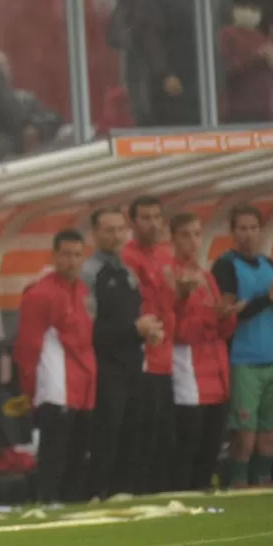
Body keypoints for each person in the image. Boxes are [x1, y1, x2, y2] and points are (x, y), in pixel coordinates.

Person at [211, 204, 273, 486]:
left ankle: (262, 483)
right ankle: (238, 485)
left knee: (270, 435)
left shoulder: (269, 264)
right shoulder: (225, 265)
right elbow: (233, 312)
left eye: (253, 228)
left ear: (260, 231)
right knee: (244, 435)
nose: (248, 234)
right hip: (243, 360)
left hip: (272, 358)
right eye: (242, 228)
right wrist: (271, 297)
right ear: (232, 232)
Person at [13, 230, 97, 503]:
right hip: (55, 385)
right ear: (54, 255)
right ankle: (47, 500)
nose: (71, 261)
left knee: (78, 449)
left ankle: (70, 501)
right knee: (54, 450)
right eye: (65, 254)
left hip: (82, 382)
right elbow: (28, 346)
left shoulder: (83, 292)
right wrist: (28, 388)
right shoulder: (40, 295)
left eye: (76, 255)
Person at [82, 206, 157, 500]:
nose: (115, 236)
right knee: (107, 434)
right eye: (108, 230)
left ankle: (123, 494)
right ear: (95, 234)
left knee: (132, 433)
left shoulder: (126, 271)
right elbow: (88, 329)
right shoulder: (91, 272)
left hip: (132, 364)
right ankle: (97, 494)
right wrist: (133, 331)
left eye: (119, 230)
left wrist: (148, 331)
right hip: (105, 367)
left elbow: (132, 318)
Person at [170, 213, 234, 491]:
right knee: (189, 442)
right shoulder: (171, 274)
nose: (194, 241)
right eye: (186, 234)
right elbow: (177, 331)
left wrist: (226, 316)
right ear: (172, 238)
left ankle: (204, 489)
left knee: (211, 442)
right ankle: (183, 492)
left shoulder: (206, 276)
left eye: (197, 234)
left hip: (216, 369)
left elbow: (224, 331)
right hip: (188, 370)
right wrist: (211, 317)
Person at [121, 195, 178, 495]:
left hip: (166, 356)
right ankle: (138, 492)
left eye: (157, 216)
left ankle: (159, 491)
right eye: (145, 217)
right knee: (142, 432)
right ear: (132, 222)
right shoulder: (127, 258)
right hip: (143, 358)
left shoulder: (166, 256)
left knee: (163, 433)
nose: (153, 223)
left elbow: (170, 305)